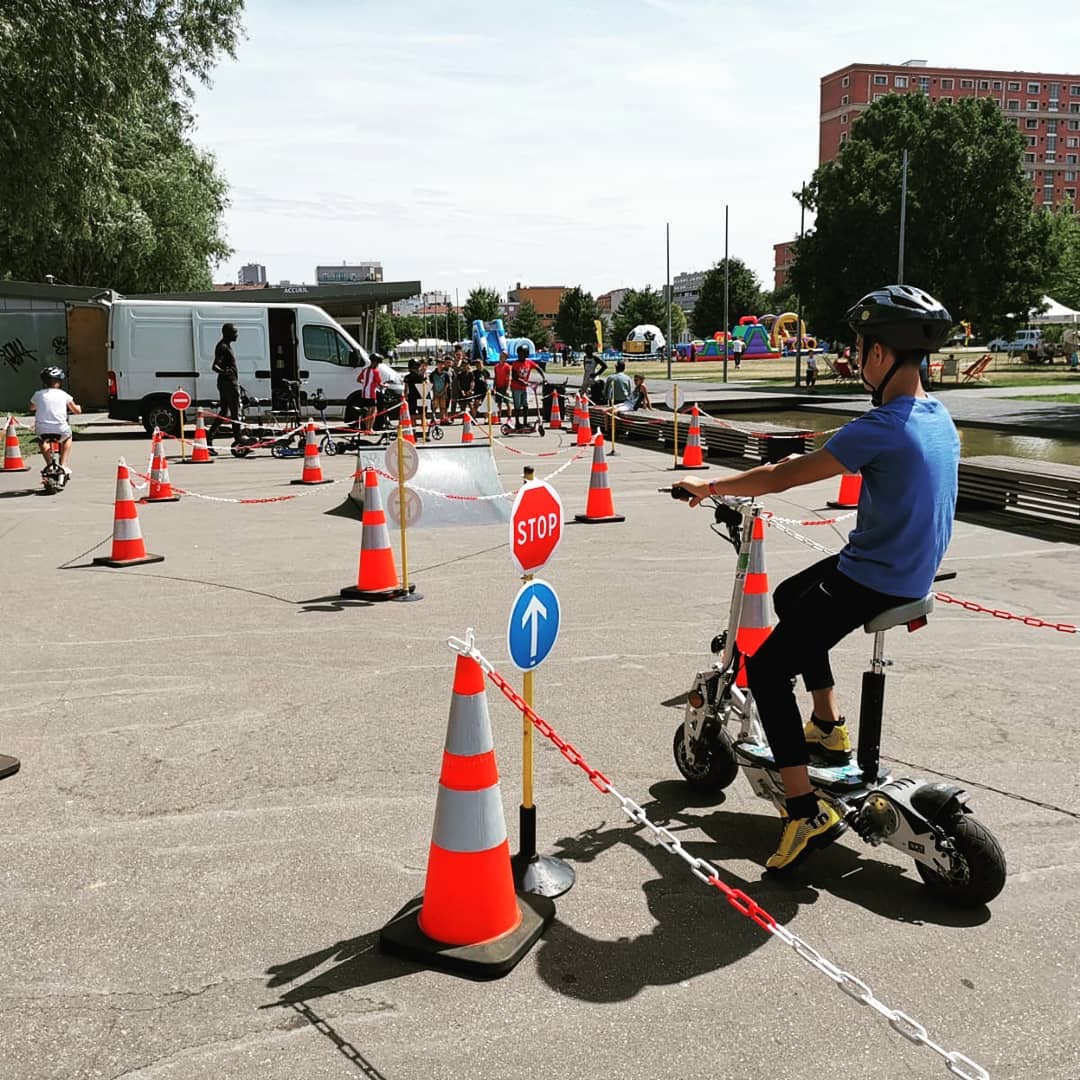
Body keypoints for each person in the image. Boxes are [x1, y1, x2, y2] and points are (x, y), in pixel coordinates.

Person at [675, 285, 958, 873]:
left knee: (769, 669)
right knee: (788, 596)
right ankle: (827, 726)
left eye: (859, 349)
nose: (855, 360)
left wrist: (709, 487)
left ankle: (803, 810)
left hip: (872, 579)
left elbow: (781, 477)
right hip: (908, 570)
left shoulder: (881, 424)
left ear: (880, 355)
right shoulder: (938, 418)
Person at [29, 366, 81, 475]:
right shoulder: (63, 394)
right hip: (60, 428)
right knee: (68, 437)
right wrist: (79, 408)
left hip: (42, 428)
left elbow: (31, 408)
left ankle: (49, 464)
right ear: (58, 382)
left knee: (42, 440)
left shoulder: (38, 394)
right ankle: (63, 465)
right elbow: (76, 410)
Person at [209, 322, 241, 445]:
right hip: (228, 384)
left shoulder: (226, 346)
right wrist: (225, 372)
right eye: (234, 332)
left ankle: (209, 437)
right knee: (234, 413)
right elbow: (215, 366)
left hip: (227, 383)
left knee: (224, 412)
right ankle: (239, 441)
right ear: (227, 333)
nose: (237, 334)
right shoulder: (222, 347)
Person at [510, 344, 543, 428]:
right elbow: (514, 376)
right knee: (517, 406)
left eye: (522, 354)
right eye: (519, 354)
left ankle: (525, 422)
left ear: (526, 354)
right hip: (516, 387)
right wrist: (523, 382)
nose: (521, 355)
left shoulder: (529, 362)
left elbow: (538, 368)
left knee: (525, 405)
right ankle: (517, 422)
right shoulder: (515, 364)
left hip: (524, 388)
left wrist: (543, 377)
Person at [355, 354, 382, 432]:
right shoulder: (375, 371)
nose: (378, 365)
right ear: (376, 362)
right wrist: (386, 385)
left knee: (367, 412)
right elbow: (380, 383)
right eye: (378, 363)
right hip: (371, 394)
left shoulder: (365, 370)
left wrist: (366, 383)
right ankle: (370, 428)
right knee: (373, 411)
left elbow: (358, 379)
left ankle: (367, 428)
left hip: (364, 393)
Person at [492, 350, 512, 422]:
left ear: (506, 358)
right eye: (501, 355)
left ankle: (509, 417)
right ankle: (499, 417)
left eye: (503, 355)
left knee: (507, 403)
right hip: (498, 387)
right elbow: (495, 377)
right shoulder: (496, 366)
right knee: (499, 403)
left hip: (505, 387)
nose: (501, 356)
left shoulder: (507, 367)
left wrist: (507, 389)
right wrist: (494, 388)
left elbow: (508, 378)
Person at [429, 359, 450, 423]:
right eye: (439, 364)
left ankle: (442, 419)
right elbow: (431, 383)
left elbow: (447, 384)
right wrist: (435, 391)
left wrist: (443, 391)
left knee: (443, 407)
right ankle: (433, 419)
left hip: (443, 393)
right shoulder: (432, 374)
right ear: (437, 365)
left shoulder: (446, 374)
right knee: (434, 407)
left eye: (442, 364)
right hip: (435, 393)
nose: (441, 366)